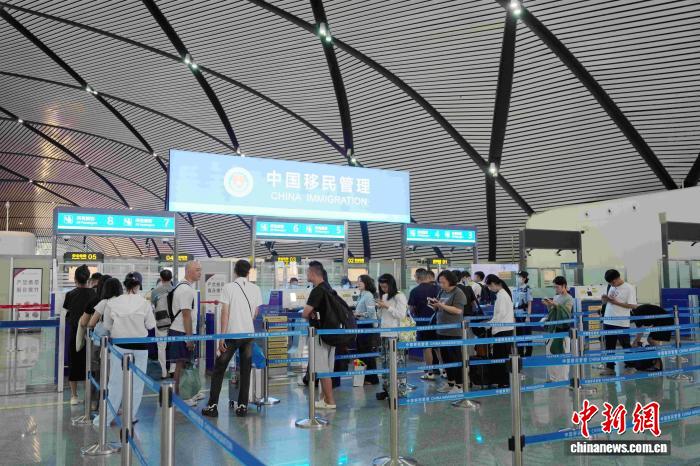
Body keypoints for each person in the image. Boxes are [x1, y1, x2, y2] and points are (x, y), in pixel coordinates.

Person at [93, 273, 156, 429]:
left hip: (120, 347)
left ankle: (105, 419)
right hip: (140, 347)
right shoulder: (144, 303)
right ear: (138, 286)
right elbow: (150, 325)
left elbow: (107, 326)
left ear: (125, 285)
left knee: (115, 383)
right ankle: (130, 416)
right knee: (137, 384)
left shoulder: (113, 303)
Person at [203, 260, 262, 417]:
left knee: (219, 369)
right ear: (248, 272)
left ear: (235, 271)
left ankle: (212, 406)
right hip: (248, 335)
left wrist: (222, 337)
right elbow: (255, 313)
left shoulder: (228, 287)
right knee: (245, 370)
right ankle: (242, 406)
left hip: (232, 335)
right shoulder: (256, 289)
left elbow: (225, 313)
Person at [302, 261, 337, 409]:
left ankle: (330, 401)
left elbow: (305, 313)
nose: (306, 274)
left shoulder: (317, 290)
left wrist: (308, 313)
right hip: (330, 333)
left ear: (313, 273)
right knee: (327, 367)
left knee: (322, 369)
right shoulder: (328, 288)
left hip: (319, 335)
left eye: (307, 272)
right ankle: (324, 398)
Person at [167, 260, 202, 399]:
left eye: (200, 269)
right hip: (182, 331)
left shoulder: (184, 287)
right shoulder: (186, 290)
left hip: (183, 331)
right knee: (180, 365)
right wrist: (189, 338)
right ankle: (180, 396)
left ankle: (189, 392)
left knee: (186, 364)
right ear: (188, 271)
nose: (200, 272)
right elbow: (186, 315)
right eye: (197, 270)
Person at [429, 270, 467, 393]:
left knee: (455, 358)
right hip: (441, 330)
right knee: (446, 358)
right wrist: (434, 304)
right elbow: (439, 307)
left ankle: (459, 384)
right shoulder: (442, 292)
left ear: (450, 281)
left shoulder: (458, 292)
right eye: (439, 282)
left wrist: (441, 305)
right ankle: (450, 382)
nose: (441, 285)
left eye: (443, 282)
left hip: (453, 331)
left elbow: (458, 311)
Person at [63, 264, 96, 405]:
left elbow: (67, 314)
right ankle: (90, 396)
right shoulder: (94, 294)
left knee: (74, 364)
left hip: (74, 334)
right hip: (91, 334)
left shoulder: (70, 294)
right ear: (88, 279)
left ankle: (74, 396)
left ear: (75, 279)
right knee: (90, 365)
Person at [375, 273, 409, 400]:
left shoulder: (399, 296)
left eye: (385, 286)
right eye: (381, 287)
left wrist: (387, 307)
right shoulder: (384, 296)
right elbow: (381, 316)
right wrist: (379, 308)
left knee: (397, 364)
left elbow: (401, 315)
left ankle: (399, 392)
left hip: (395, 335)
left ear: (391, 285)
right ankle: (387, 389)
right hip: (384, 333)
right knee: (385, 363)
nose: (383, 289)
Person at [600, 269, 637, 376]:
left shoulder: (629, 288)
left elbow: (633, 305)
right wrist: (605, 300)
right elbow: (609, 302)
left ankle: (631, 366)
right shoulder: (611, 286)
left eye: (612, 283)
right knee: (609, 346)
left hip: (621, 322)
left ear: (616, 279)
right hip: (608, 320)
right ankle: (610, 368)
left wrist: (615, 302)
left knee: (625, 345)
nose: (612, 285)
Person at [408, 268, 440, 380]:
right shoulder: (438, 289)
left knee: (427, 348)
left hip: (422, 323)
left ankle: (430, 372)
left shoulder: (415, 291)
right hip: (438, 322)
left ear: (418, 277)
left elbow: (411, 309)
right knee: (438, 347)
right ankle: (445, 371)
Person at [484, 274, 515, 387]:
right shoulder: (503, 294)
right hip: (505, 329)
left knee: (501, 357)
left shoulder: (502, 295)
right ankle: (501, 380)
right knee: (501, 356)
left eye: (489, 286)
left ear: (493, 284)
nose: (489, 289)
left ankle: (504, 382)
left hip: (502, 330)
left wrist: (489, 324)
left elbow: (500, 314)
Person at [542, 276, 573, 382]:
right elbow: (552, 312)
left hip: (562, 330)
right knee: (550, 354)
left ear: (564, 286)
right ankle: (553, 377)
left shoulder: (569, 298)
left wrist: (555, 304)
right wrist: (548, 305)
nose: (556, 289)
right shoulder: (556, 297)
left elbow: (566, 313)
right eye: (554, 287)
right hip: (552, 329)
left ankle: (562, 378)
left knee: (563, 354)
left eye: (557, 287)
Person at [630, 304, 673, 371]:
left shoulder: (637, 315)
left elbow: (640, 331)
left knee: (653, 341)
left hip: (664, 321)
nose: (630, 322)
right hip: (660, 321)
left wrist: (635, 342)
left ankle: (658, 364)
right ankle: (655, 361)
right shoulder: (637, 311)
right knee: (650, 340)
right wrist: (636, 341)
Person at [354, 274, 380, 385]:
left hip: (367, 326)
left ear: (366, 283)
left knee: (366, 352)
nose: (358, 283)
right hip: (361, 325)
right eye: (358, 281)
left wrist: (359, 314)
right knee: (361, 351)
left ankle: (372, 378)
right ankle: (362, 378)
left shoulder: (368, 295)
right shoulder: (361, 295)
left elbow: (370, 312)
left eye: (360, 281)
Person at [151, 269, 175, 379]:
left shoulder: (155, 291)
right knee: (174, 345)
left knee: (161, 347)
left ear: (161, 278)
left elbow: (153, 305)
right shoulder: (175, 290)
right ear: (171, 278)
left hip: (161, 321)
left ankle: (163, 372)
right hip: (174, 322)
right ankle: (173, 369)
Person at [513, 271, 534, 357]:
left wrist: (528, 317)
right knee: (519, 335)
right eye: (517, 276)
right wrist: (513, 315)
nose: (518, 278)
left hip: (524, 315)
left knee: (527, 335)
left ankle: (528, 354)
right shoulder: (515, 289)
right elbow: (514, 303)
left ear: (524, 278)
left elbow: (529, 304)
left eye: (519, 277)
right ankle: (520, 353)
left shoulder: (527, 288)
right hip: (517, 314)